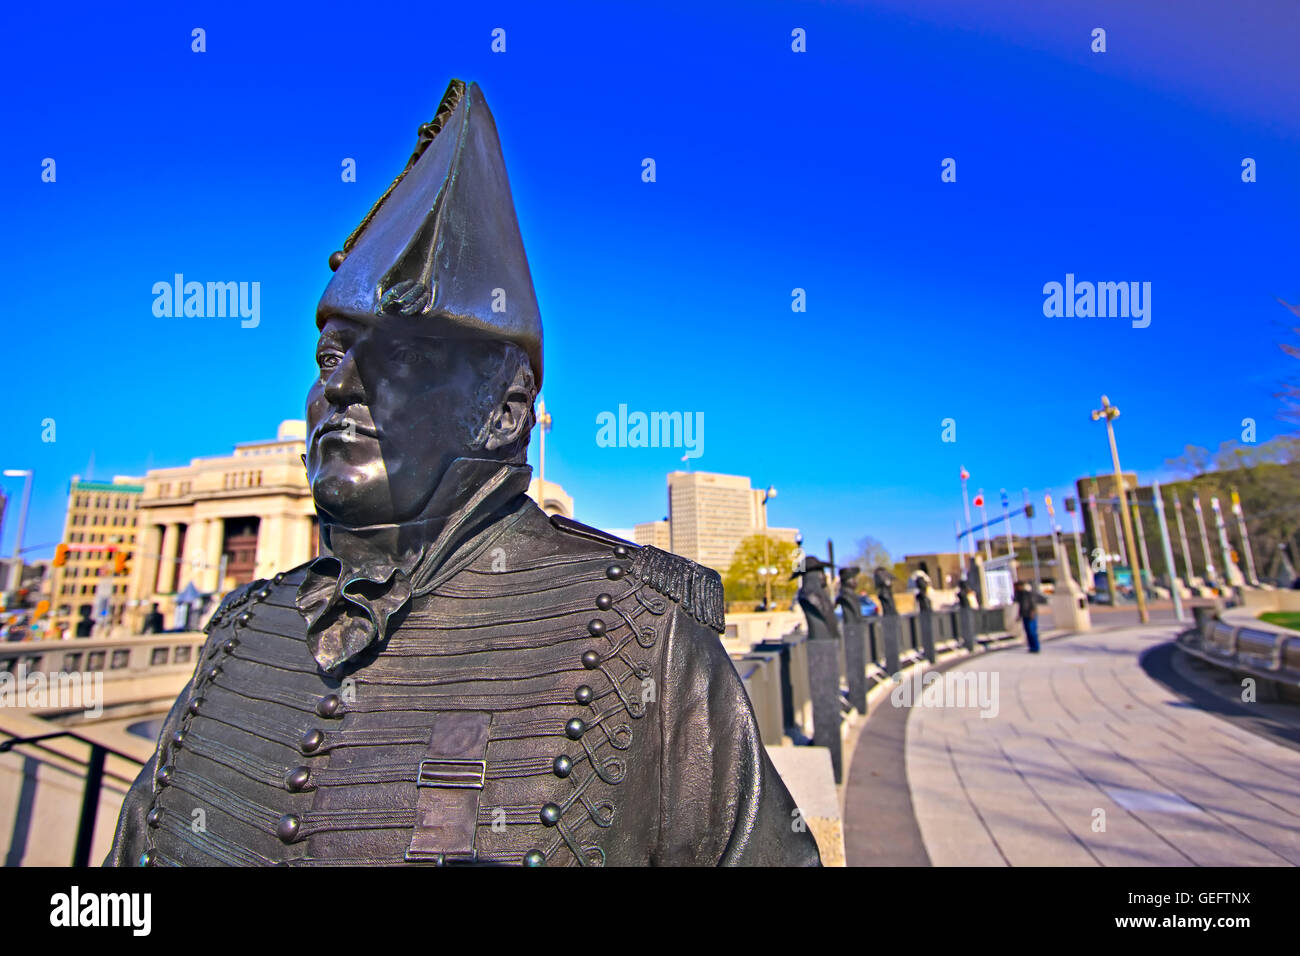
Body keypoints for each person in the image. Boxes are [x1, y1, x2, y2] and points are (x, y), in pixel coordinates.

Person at [106, 80, 818, 868]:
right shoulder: (240, 633)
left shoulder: (645, 645)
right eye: (333, 354)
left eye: (400, 354)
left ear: (507, 411)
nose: (340, 384)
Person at [1014, 580, 1040, 653]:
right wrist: (1019, 615)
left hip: (1030, 614)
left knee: (1032, 632)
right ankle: (1032, 647)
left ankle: (1035, 647)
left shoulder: (1028, 594)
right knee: (1028, 632)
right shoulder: (1020, 595)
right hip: (1024, 615)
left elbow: (1032, 604)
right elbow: (1020, 606)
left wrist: (1032, 613)